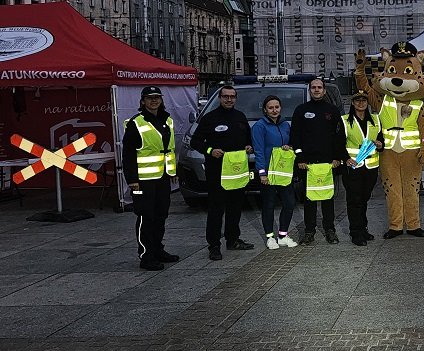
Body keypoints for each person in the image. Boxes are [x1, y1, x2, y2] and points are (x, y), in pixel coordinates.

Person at [190, 85, 255, 260]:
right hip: (217, 172)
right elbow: (195, 141)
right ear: (220, 98)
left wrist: (249, 146)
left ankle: (233, 239)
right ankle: (214, 245)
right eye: (225, 97)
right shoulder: (210, 118)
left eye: (232, 97)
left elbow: (249, 140)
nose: (229, 100)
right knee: (216, 210)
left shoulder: (240, 117)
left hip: (237, 172)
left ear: (236, 98)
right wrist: (210, 150)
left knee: (235, 208)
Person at [122, 86, 180, 271]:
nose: (154, 101)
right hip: (141, 180)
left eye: (157, 97)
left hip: (162, 177)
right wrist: (131, 179)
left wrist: (172, 172)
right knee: (145, 216)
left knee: (161, 215)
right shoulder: (136, 123)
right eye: (150, 98)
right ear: (143, 101)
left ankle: (158, 249)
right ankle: (146, 255)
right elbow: (128, 154)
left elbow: (169, 150)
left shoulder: (166, 120)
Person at [290, 78, 349, 245]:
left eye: (319, 87)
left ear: (324, 91)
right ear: (310, 90)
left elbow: (339, 137)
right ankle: (309, 231)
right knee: (309, 199)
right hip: (307, 164)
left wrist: (337, 157)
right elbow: (296, 136)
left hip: (328, 163)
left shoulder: (332, 111)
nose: (316, 90)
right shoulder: (301, 110)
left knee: (328, 199)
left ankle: (330, 230)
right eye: (313, 87)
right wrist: (300, 158)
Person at [252, 95, 298, 250]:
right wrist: (262, 173)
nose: (274, 110)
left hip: (283, 172)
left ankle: (283, 235)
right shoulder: (259, 126)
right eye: (270, 108)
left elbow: (291, 143)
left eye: (276, 107)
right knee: (269, 205)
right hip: (268, 173)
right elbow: (258, 150)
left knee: (289, 203)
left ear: (280, 108)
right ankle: (270, 237)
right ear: (265, 109)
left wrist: (289, 146)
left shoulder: (285, 125)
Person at [342, 90, 384, 246]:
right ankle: (356, 232)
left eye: (364, 101)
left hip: (371, 167)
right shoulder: (345, 120)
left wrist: (381, 145)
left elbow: (381, 141)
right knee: (354, 200)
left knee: (364, 199)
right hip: (353, 167)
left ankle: (363, 228)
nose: (361, 103)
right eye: (357, 101)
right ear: (352, 103)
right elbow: (338, 143)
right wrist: (345, 158)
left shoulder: (375, 120)